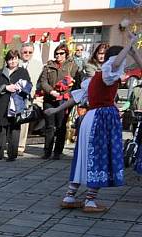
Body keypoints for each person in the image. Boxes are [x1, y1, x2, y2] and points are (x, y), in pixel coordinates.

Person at [58, 36, 142, 213]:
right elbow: (115, 62)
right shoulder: (108, 70)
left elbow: (77, 97)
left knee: (83, 155)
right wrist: (128, 46)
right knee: (100, 155)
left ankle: (70, 196)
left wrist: (133, 51)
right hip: (102, 118)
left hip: (91, 117)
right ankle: (89, 201)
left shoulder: (95, 77)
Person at [37, 43, 79, 159]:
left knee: (61, 126)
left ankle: (58, 151)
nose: (58, 56)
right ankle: (47, 151)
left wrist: (67, 95)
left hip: (64, 100)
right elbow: (43, 82)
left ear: (66, 54)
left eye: (61, 53)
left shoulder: (72, 66)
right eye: (56, 53)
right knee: (49, 125)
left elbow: (77, 84)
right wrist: (51, 91)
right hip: (50, 98)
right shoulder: (48, 66)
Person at [0, 50, 31, 162]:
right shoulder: (0, 72)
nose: (13, 61)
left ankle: (12, 154)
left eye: (15, 58)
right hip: (2, 104)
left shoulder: (23, 72)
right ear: (7, 61)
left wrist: (20, 88)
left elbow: (28, 86)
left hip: (16, 104)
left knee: (14, 129)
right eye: (10, 59)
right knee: (1, 129)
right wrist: (6, 87)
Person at [18, 43, 37, 155]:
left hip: (29, 97)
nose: (27, 54)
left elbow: (38, 81)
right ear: (21, 53)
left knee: (24, 122)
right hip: (15, 96)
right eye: (25, 52)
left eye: (30, 52)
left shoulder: (38, 65)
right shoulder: (15, 63)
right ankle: (12, 143)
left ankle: (20, 146)